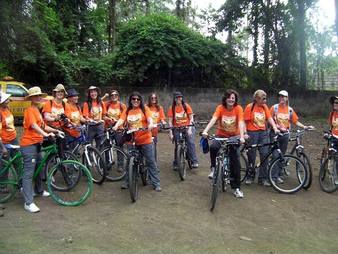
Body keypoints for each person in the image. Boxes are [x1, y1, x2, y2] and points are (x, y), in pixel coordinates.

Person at [20, 87, 63, 213]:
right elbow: (33, 125)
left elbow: (43, 125)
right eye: (36, 96)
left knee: (39, 167)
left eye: (39, 96)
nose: (39, 98)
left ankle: (38, 190)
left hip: (37, 144)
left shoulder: (37, 110)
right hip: (28, 145)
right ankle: (28, 202)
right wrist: (45, 134)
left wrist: (56, 131)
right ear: (31, 98)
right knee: (28, 173)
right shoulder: (29, 110)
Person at [113, 92, 161, 191]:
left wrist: (150, 124)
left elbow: (149, 119)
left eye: (138, 99)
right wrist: (116, 126)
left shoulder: (145, 109)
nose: (135, 101)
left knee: (150, 161)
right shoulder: (127, 110)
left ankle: (156, 182)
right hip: (132, 140)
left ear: (140, 100)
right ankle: (127, 181)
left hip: (145, 139)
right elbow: (121, 120)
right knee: (129, 161)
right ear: (130, 100)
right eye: (133, 99)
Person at [202, 89, 246, 198]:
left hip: (234, 137)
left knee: (235, 162)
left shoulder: (238, 109)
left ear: (235, 100)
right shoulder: (220, 108)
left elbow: (240, 122)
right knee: (213, 147)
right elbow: (214, 119)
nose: (231, 100)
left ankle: (236, 188)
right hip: (221, 135)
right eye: (229, 97)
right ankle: (213, 168)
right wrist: (205, 131)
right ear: (225, 99)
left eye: (233, 98)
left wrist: (241, 136)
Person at [270, 90, 314, 182]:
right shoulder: (274, 108)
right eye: (280, 96)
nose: (281, 98)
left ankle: (278, 174)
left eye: (283, 97)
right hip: (275, 134)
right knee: (275, 155)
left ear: (287, 98)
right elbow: (269, 120)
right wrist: (276, 127)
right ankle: (273, 177)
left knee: (282, 155)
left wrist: (305, 126)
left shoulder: (290, 110)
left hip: (285, 135)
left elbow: (295, 121)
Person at [243, 89, 279, 186]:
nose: (265, 101)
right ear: (256, 99)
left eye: (265, 99)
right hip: (252, 133)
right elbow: (244, 121)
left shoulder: (264, 107)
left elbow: (269, 118)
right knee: (252, 155)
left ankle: (262, 178)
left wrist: (275, 128)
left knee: (265, 155)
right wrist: (245, 133)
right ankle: (250, 176)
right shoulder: (249, 107)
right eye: (263, 99)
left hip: (263, 133)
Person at [167, 91, 198, 170]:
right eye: (177, 97)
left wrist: (190, 129)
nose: (179, 99)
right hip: (177, 128)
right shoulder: (172, 108)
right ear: (174, 99)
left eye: (180, 97)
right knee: (177, 145)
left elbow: (191, 118)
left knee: (190, 142)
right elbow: (170, 121)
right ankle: (176, 163)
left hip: (187, 126)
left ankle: (194, 161)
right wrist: (170, 133)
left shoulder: (186, 106)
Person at [0, 92, 18, 197]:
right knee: (4, 164)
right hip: (4, 142)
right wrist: (2, 147)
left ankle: (20, 181)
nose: (8, 100)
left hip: (13, 139)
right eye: (6, 99)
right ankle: (2, 186)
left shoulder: (7, 109)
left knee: (17, 160)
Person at [146, 92, 166, 162]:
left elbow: (162, 118)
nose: (153, 99)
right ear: (149, 99)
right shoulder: (146, 107)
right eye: (152, 98)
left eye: (155, 98)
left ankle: (154, 164)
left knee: (153, 148)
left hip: (154, 131)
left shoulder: (159, 108)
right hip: (146, 131)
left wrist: (163, 122)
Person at [328, 95, 338, 185]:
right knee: (332, 156)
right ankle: (332, 174)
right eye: (334, 102)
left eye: (337, 103)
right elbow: (331, 126)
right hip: (334, 138)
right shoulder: (332, 114)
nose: (335, 104)